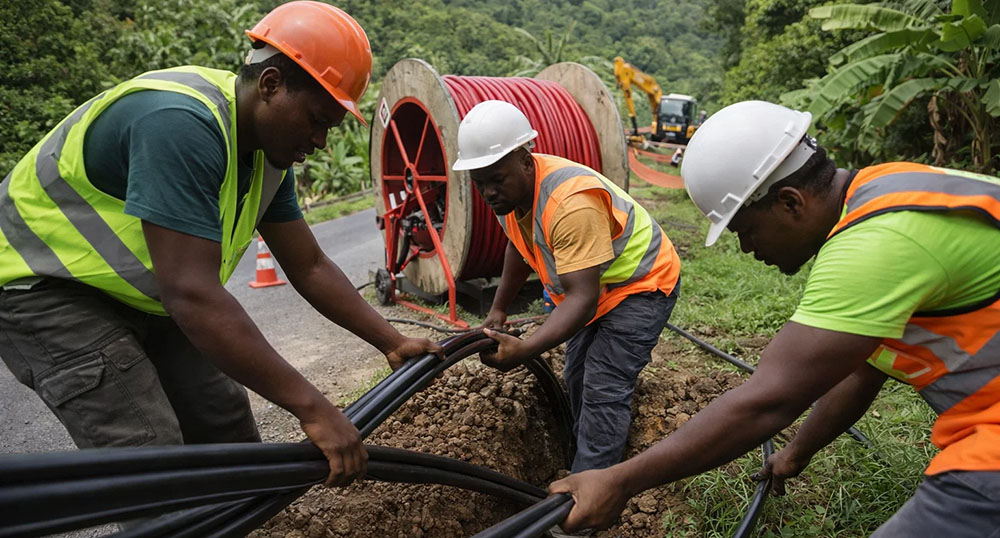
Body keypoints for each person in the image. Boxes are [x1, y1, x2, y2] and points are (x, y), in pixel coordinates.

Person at [0, 1, 441, 487]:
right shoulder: (179, 122)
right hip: (44, 289)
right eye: (316, 119)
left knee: (224, 428)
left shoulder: (268, 154)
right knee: (150, 458)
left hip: (139, 296)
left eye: (329, 128)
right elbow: (192, 292)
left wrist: (392, 342)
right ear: (270, 85)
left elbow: (309, 264)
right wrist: (315, 409)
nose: (319, 140)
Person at [549, 100, 1000, 536]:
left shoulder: (875, 246)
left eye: (746, 230)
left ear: (789, 202)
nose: (747, 249)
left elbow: (766, 400)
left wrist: (619, 481)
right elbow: (862, 367)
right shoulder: (888, 187)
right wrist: (797, 452)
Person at [451, 100, 682, 473]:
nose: (489, 192)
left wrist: (526, 349)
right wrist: (499, 307)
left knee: (603, 385)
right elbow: (517, 243)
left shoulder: (570, 204)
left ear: (526, 161)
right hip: (597, 291)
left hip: (641, 284)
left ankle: (590, 492)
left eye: (496, 180)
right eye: (481, 184)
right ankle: (580, 457)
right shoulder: (513, 199)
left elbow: (583, 298)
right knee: (576, 374)